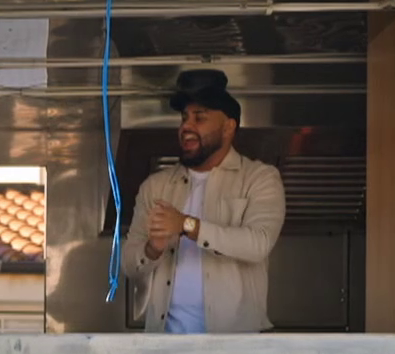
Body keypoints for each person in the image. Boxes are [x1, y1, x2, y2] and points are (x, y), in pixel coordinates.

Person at [121, 69, 288, 334]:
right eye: (184, 118)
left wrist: (187, 225)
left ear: (228, 126)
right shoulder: (156, 186)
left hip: (234, 348)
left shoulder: (260, 178)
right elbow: (129, 264)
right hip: (164, 344)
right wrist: (153, 249)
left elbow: (258, 244)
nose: (186, 126)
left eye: (199, 118)